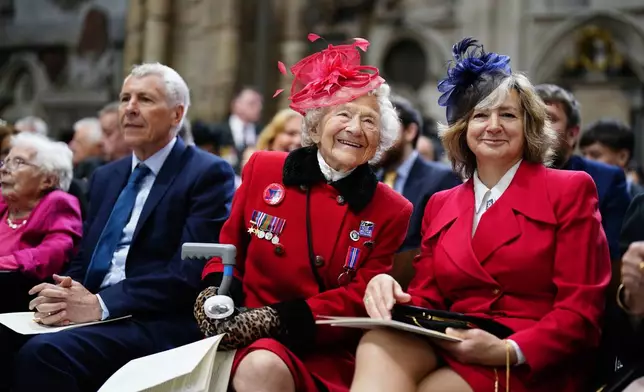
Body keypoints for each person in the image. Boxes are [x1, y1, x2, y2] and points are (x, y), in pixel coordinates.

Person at [351, 38, 611, 392]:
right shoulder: (440, 202)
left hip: (531, 357)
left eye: (507, 114)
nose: (493, 125)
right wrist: (391, 289)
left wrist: (510, 350)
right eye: (480, 115)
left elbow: (581, 312)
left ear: (530, 126)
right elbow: (427, 298)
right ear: (462, 129)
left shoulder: (570, 189)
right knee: (377, 344)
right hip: (452, 338)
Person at [194, 34, 412, 392]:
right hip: (244, 331)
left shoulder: (392, 209)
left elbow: (359, 294)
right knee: (259, 365)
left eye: (369, 122)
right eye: (343, 114)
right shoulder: (264, 168)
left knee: (266, 368)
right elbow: (228, 247)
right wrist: (211, 294)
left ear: (381, 140)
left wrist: (277, 319)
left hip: (322, 345)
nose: (355, 129)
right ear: (316, 124)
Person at [1, 62, 236, 392]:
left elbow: (187, 273)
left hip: (156, 317)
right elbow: (86, 257)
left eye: (145, 99)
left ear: (176, 113)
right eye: (125, 98)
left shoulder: (207, 174)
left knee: (45, 355)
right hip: (98, 309)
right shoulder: (106, 177)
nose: (130, 108)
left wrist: (100, 304)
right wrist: (65, 291)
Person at [535, 84, 630, 262]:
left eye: (549, 118)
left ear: (572, 134)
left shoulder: (606, 180)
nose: (538, 126)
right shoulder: (506, 175)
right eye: (532, 117)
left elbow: (613, 256)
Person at [0, 132, 81, 312]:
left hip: (16, 303)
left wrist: (4, 262)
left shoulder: (58, 204)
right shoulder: (2, 203)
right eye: (5, 161)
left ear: (48, 179)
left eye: (19, 162)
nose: (4, 169)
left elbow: (53, 254)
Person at [377, 96, 461, 252]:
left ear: (410, 131)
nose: (379, 138)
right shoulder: (372, 181)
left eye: (387, 129)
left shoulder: (442, 178)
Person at [580, 118, 644, 197]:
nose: (586, 161)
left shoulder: (638, 201)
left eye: (595, 155)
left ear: (622, 157)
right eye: (584, 154)